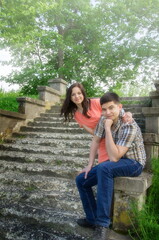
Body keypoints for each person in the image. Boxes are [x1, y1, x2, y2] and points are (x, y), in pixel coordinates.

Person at [76, 92, 146, 240]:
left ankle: (102, 225)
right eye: (104, 109)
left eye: (111, 108)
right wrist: (89, 165)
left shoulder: (129, 124)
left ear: (120, 107)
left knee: (104, 168)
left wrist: (107, 129)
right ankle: (92, 219)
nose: (107, 112)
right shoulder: (104, 118)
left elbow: (114, 157)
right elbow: (95, 141)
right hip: (117, 161)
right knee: (81, 179)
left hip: (134, 163)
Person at [61, 82, 132, 164]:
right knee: (102, 166)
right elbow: (93, 133)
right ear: (70, 97)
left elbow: (114, 109)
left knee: (113, 163)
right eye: (73, 94)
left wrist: (127, 114)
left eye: (79, 93)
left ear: (83, 93)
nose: (77, 96)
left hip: (115, 135)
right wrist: (101, 130)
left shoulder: (96, 102)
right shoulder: (76, 115)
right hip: (101, 140)